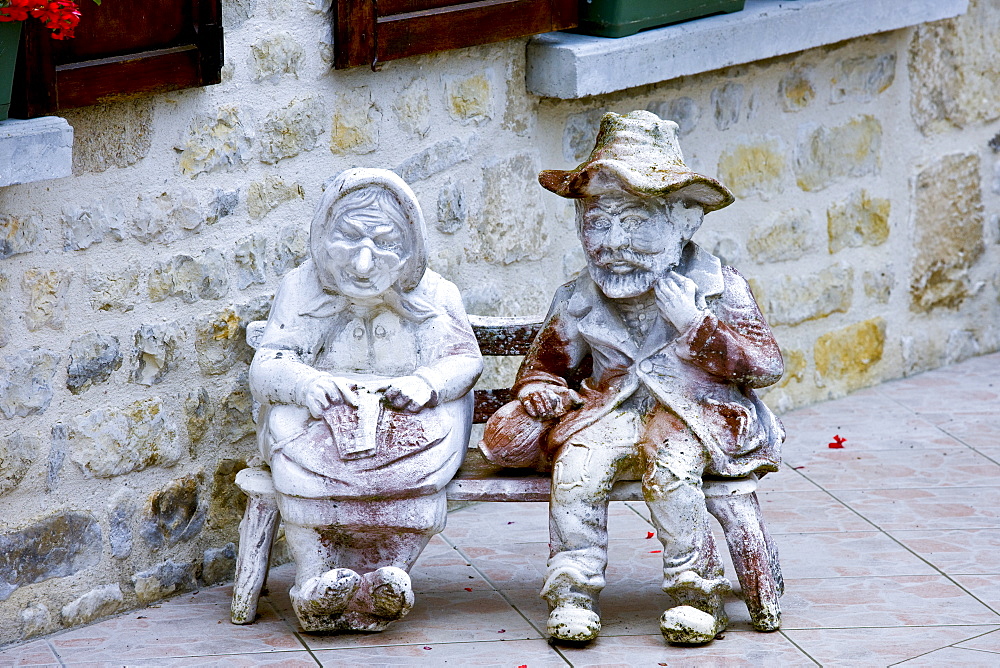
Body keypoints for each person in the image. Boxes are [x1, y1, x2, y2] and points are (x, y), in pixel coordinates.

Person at [510, 111, 784, 644]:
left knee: (673, 469)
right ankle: (572, 589)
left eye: (636, 222)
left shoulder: (717, 287)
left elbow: (765, 365)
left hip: (697, 415)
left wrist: (697, 327)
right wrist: (541, 390)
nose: (614, 241)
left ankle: (694, 591)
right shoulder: (579, 298)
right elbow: (544, 367)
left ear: (685, 222)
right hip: (610, 412)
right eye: (598, 221)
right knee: (577, 471)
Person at [249, 168, 483, 632]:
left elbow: (463, 359)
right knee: (303, 458)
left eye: (384, 244)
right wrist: (304, 384)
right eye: (348, 240)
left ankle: (390, 573)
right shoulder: (301, 288)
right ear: (322, 235)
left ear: (410, 247)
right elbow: (269, 363)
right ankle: (315, 580)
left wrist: (428, 382)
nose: (361, 265)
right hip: (323, 419)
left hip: (404, 419)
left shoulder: (435, 294)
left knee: (417, 463)